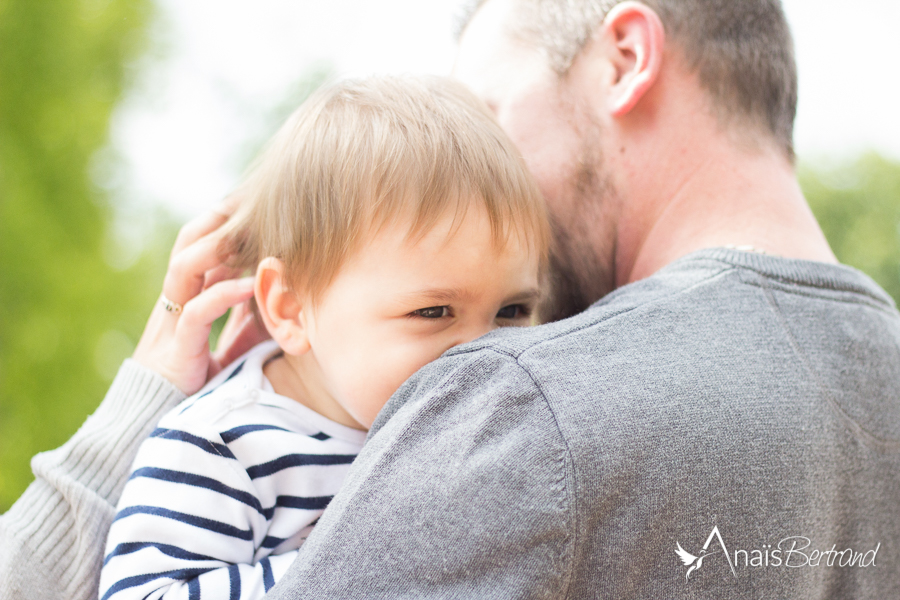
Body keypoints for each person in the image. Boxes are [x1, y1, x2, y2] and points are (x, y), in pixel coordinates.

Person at [2, 0, 899, 597]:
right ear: (289, 303)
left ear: (626, 57)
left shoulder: (523, 406)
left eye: (490, 116)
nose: (474, 188)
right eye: (434, 309)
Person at [97, 75, 548, 600]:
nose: (482, 351)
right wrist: (352, 570)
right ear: (290, 307)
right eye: (433, 311)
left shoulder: (495, 424)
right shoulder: (226, 446)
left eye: (512, 310)